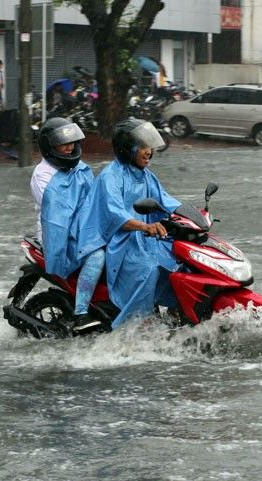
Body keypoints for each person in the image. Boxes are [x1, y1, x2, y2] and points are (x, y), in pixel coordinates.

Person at [78, 118, 181, 329]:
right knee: (150, 269)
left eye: (150, 147)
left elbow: (167, 203)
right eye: (143, 147)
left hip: (145, 239)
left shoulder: (146, 176)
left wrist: (195, 217)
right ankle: (134, 324)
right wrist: (145, 226)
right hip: (118, 241)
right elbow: (115, 215)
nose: (149, 152)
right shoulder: (111, 176)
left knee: (177, 263)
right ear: (128, 149)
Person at [31, 117, 105, 332]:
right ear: (50, 146)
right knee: (97, 254)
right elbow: (59, 212)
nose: (70, 147)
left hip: (85, 228)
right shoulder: (42, 175)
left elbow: (94, 198)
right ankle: (81, 313)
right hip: (58, 235)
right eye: (64, 143)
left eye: (72, 142)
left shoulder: (79, 168)